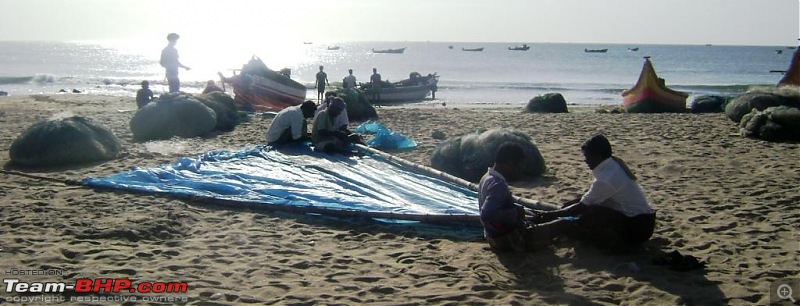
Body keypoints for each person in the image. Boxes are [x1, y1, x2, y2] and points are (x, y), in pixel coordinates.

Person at [535, 134, 656, 247]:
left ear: (597, 156)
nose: (586, 160)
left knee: (574, 223)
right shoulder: (613, 164)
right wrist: (563, 208)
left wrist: (550, 215)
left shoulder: (606, 178)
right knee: (585, 209)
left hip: (636, 230)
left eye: (587, 156)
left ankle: (536, 234)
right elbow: (588, 199)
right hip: (642, 222)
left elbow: (582, 206)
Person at [478, 142, 570, 252]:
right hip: (506, 239)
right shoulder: (498, 184)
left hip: (492, 236)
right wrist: (515, 213)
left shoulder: (487, 177)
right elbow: (487, 214)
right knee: (564, 224)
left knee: (539, 219)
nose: (518, 170)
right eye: (517, 166)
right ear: (509, 164)